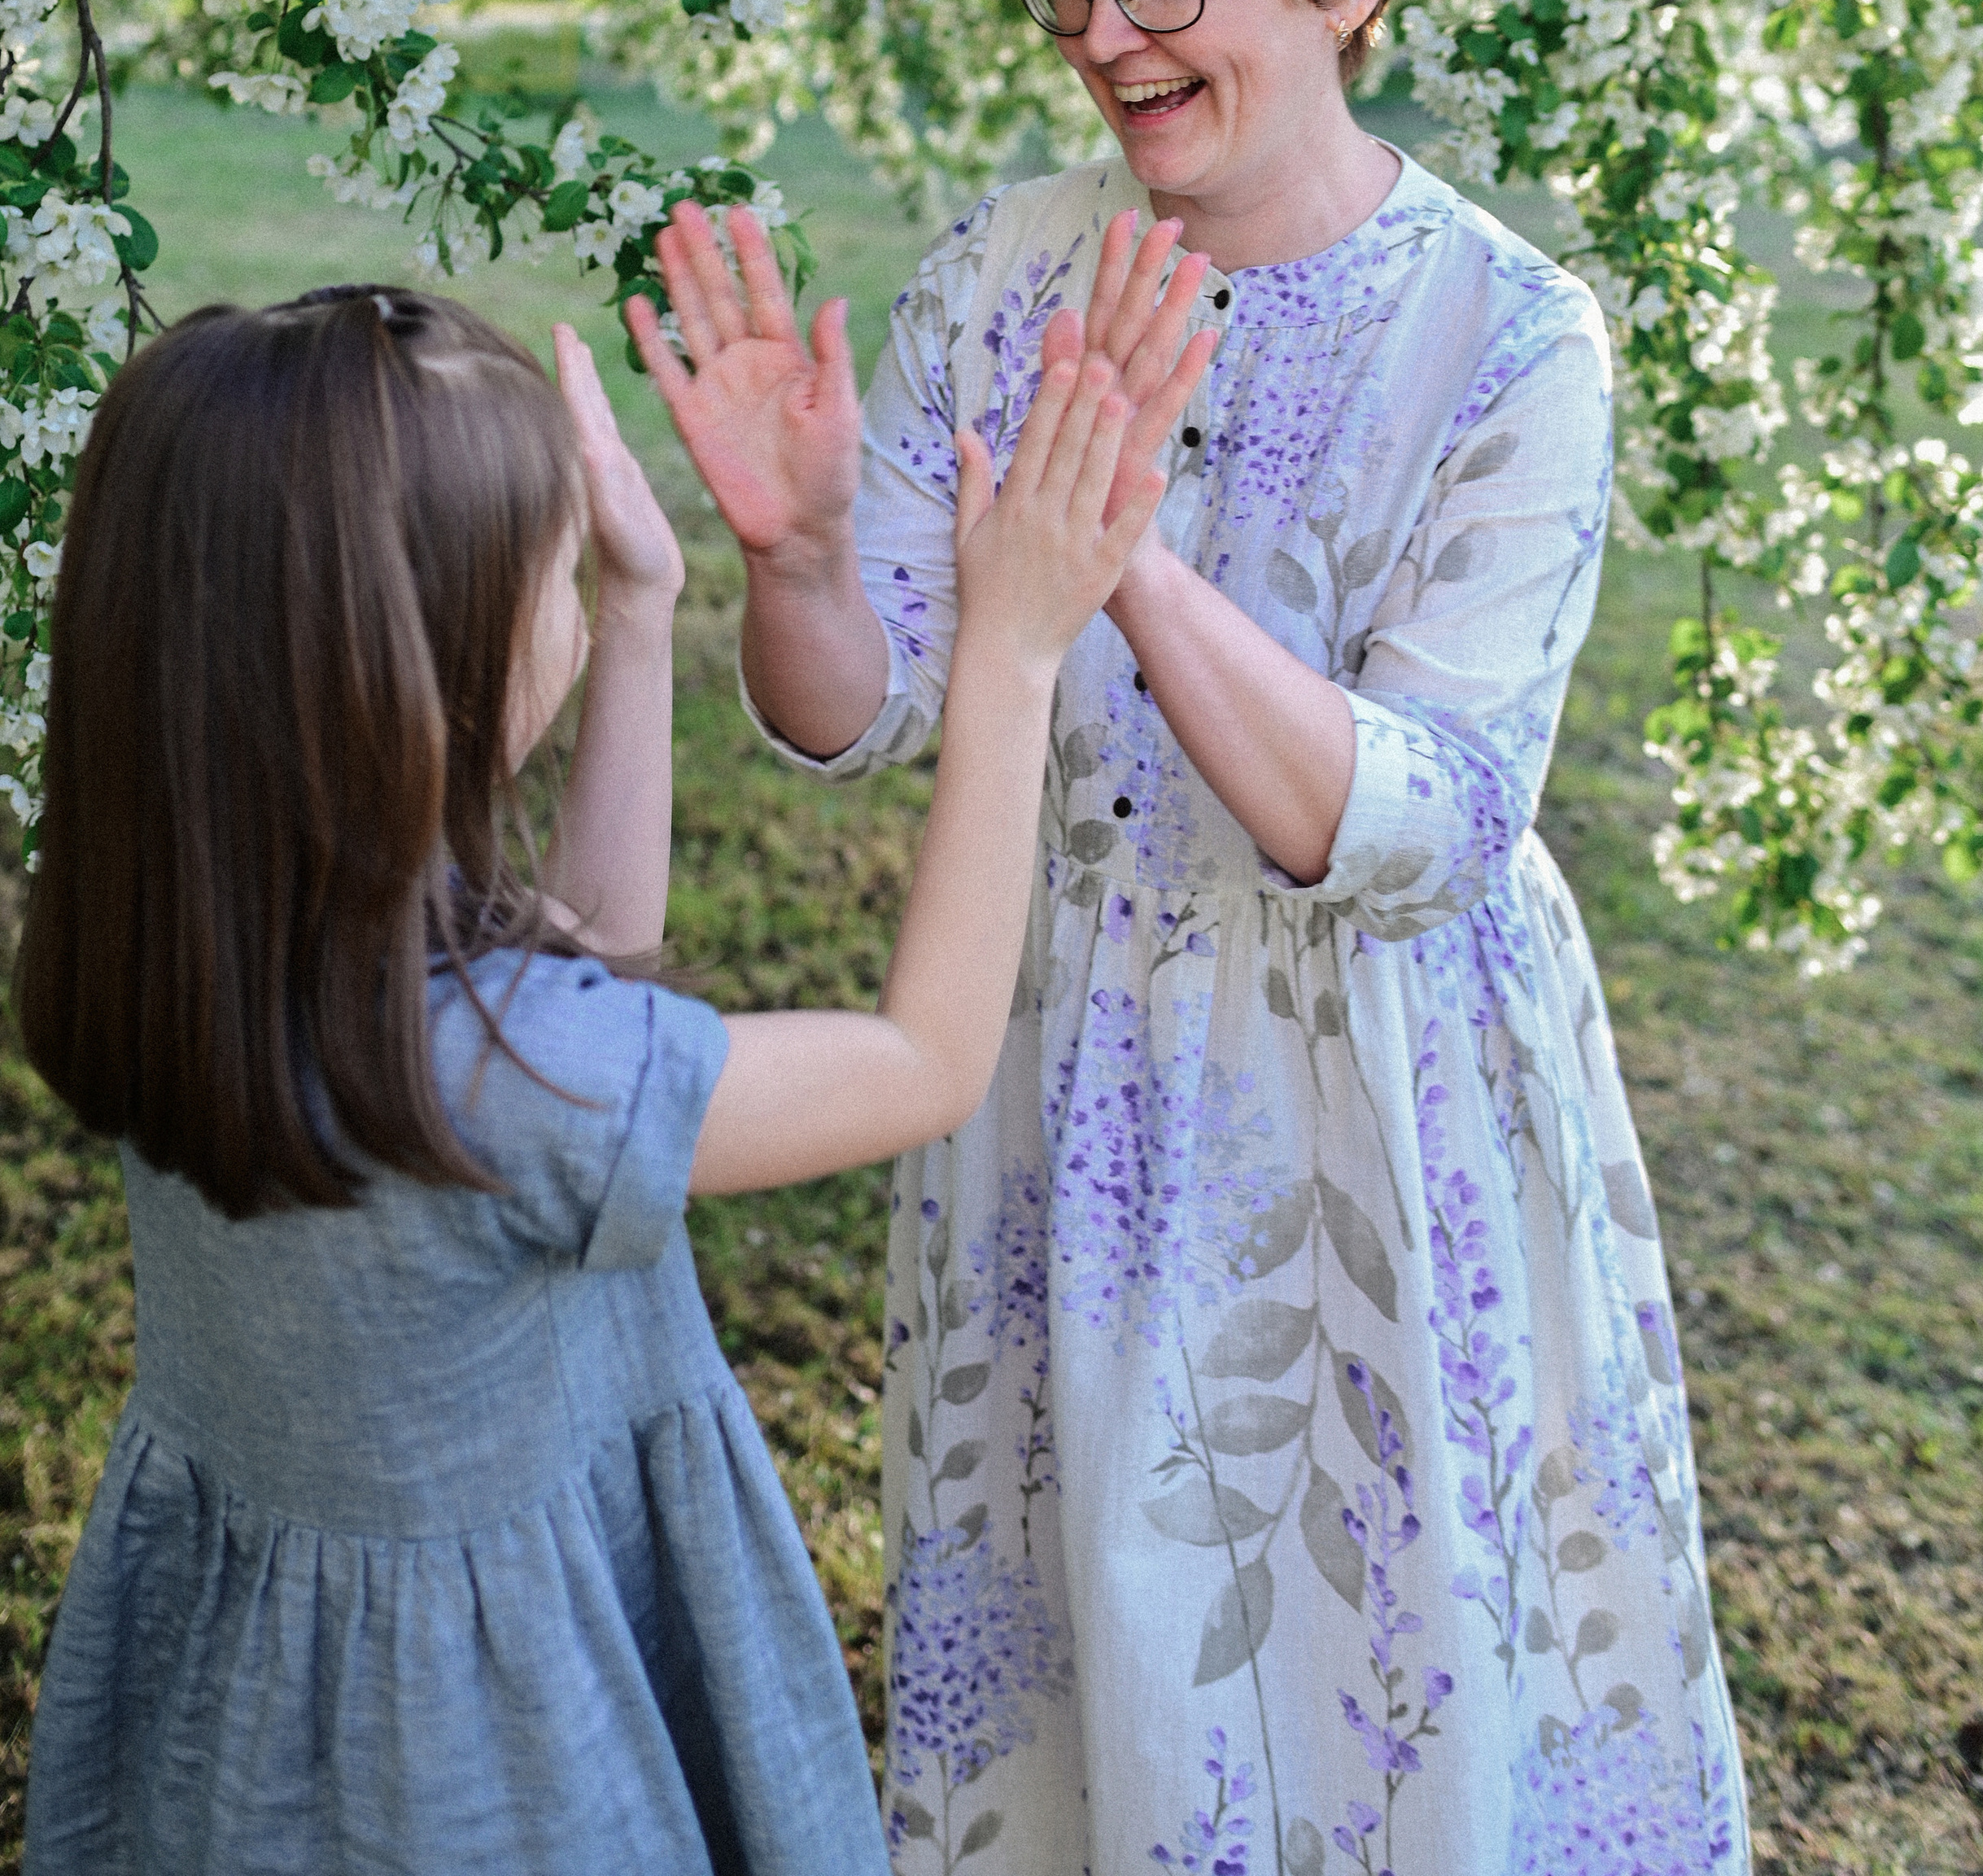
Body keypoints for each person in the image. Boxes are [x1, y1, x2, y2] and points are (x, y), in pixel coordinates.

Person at [639, 0, 1751, 1876]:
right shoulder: (1002, 271)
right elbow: (853, 710)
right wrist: (786, 557)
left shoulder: (1510, 342)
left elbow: (1418, 825)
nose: (1106, 34)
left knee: (1386, 1699)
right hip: (1059, 1082)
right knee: (1106, 1701)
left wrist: (1116, 547)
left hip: (1384, 1128)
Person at [13, 273, 1180, 1875]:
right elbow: (924, 1060)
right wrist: (1016, 653)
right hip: (493, 1755)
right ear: (412, 668)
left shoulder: (187, 958)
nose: (577, 586)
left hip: (263, 1710)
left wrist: (636, 615)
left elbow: (581, 993)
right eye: (554, 572)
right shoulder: (499, 1071)